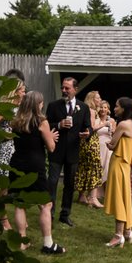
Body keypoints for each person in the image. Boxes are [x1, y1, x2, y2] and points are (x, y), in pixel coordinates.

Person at [7, 90, 65, 255]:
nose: (42, 104)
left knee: (20, 204)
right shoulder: (41, 121)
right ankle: (48, 243)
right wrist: (52, 138)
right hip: (35, 165)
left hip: (17, 163)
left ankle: (22, 241)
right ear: (37, 104)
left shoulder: (16, 121)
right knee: (45, 204)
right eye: (41, 102)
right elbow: (51, 148)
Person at [45, 76, 91, 228]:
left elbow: (88, 127)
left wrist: (87, 133)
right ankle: (49, 214)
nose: (64, 91)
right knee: (52, 182)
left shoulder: (83, 108)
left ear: (75, 89)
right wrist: (58, 124)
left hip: (73, 151)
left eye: (67, 88)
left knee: (69, 184)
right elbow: (46, 125)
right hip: (56, 150)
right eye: (62, 88)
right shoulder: (53, 105)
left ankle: (65, 214)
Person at [0, 77, 26, 230]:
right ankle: (3, 219)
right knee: (5, 187)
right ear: (15, 92)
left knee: (17, 184)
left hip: (19, 149)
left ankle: (20, 217)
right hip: (6, 149)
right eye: (22, 91)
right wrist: (1, 135)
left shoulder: (21, 108)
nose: (25, 93)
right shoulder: (6, 108)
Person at [103, 97, 132, 247]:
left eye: (116, 106)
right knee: (124, 197)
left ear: (124, 109)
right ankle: (127, 231)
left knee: (118, 198)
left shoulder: (123, 124)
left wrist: (109, 138)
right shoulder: (131, 123)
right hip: (125, 165)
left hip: (118, 163)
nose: (114, 108)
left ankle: (118, 235)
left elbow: (111, 145)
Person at [74, 89, 107, 209]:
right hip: (91, 142)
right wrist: (105, 124)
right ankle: (93, 198)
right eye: (98, 98)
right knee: (94, 168)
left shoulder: (85, 109)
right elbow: (92, 128)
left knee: (84, 167)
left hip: (84, 143)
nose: (100, 99)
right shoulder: (92, 111)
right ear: (92, 99)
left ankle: (81, 195)